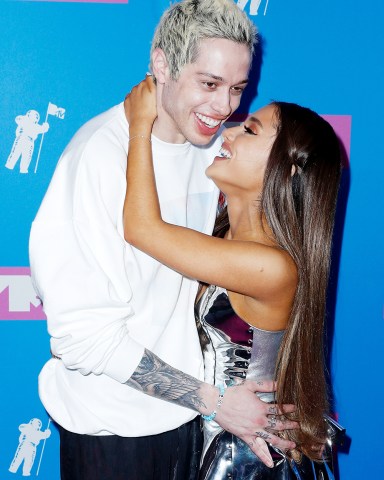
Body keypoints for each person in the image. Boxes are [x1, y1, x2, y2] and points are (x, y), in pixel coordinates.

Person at [29, 1, 298, 479]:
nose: (225, 108)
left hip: (190, 424)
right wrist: (213, 401)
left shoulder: (218, 152)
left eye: (237, 89)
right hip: (114, 433)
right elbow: (84, 340)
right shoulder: (100, 157)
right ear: (162, 65)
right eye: (209, 83)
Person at [122, 77, 342, 478]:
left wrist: (139, 126)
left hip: (248, 460)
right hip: (211, 439)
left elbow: (141, 228)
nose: (229, 129)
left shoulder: (272, 267)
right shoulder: (220, 234)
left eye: (250, 129)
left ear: (289, 169)